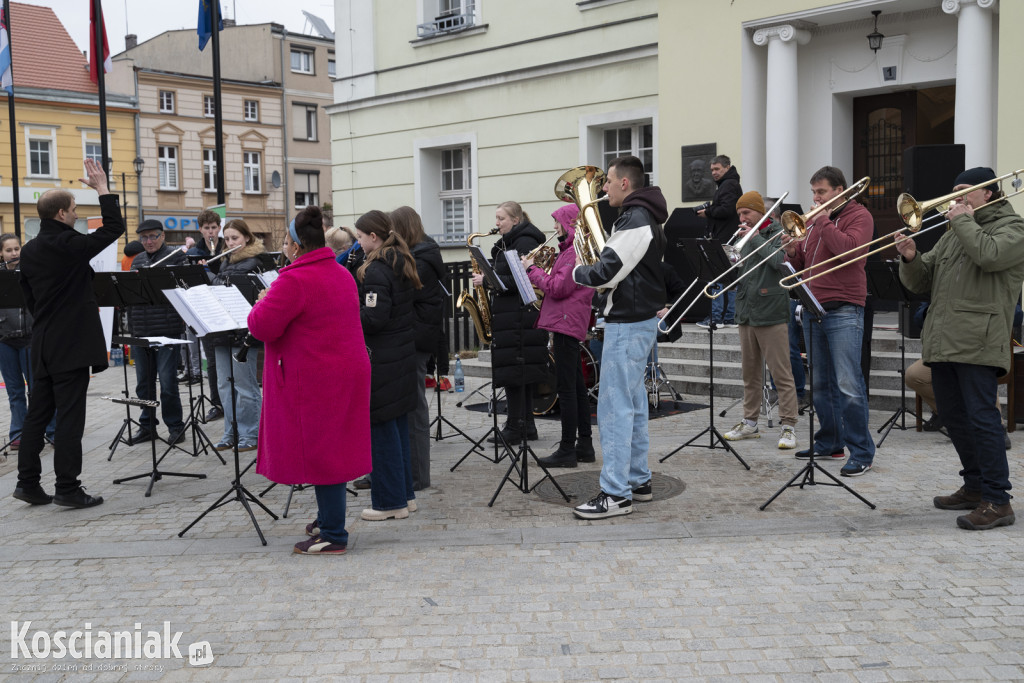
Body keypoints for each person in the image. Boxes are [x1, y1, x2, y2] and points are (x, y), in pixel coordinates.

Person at [896, 166, 1024, 530]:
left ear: (991, 194)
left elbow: (991, 256)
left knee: (983, 420)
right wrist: (910, 256)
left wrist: (964, 222)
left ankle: (998, 499)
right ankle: (974, 487)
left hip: (980, 339)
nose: (956, 198)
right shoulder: (953, 234)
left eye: (966, 190)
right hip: (945, 338)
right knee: (954, 417)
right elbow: (923, 280)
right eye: (954, 191)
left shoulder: (1013, 228)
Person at [250, 206, 371, 554]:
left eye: (286, 243)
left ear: (298, 246)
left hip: (317, 377)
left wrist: (261, 302)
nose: (284, 248)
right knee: (333, 447)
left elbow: (261, 326)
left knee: (324, 454)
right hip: (342, 371)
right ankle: (327, 518)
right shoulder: (338, 272)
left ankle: (333, 533)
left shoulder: (293, 279)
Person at [11, 159, 124, 508]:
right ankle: (67, 488)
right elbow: (114, 228)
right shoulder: (70, 245)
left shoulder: (28, 252)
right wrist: (103, 189)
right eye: (74, 209)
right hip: (71, 345)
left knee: (37, 416)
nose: (76, 215)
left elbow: (29, 300)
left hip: (42, 343)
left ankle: (27, 484)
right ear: (60, 213)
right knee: (71, 418)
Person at [570, 155, 667, 519]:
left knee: (614, 409)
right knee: (635, 404)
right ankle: (638, 481)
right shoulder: (646, 216)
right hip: (636, 321)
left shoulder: (634, 218)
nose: (603, 188)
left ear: (624, 183)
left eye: (607, 182)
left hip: (627, 324)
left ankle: (615, 494)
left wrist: (575, 271)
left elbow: (606, 274)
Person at [782, 166, 876, 476]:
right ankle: (830, 441)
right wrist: (793, 251)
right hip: (813, 308)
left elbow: (851, 253)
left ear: (840, 190)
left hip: (844, 309)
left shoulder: (859, 216)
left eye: (821, 192)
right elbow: (804, 265)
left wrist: (821, 222)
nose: (815, 198)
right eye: (813, 192)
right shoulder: (814, 225)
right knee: (820, 385)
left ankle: (861, 450)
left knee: (848, 383)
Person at [353, 209, 422, 520]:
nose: (357, 243)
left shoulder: (378, 271)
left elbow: (374, 317)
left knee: (382, 432)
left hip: (383, 360)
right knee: (396, 429)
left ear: (373, 236)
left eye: (359, 237)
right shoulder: (400, 261)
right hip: (400, 356)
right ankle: (405, 496)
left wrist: (352, 308)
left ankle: (388, 502)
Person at [720, 191, 799, 449]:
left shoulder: (779, 231)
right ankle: (750, 422)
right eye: (740, 214)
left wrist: (753, 239)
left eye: (747, 213)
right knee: (750, 374)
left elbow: (779, 261)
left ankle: (788, 425)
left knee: (781, 373)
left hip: (771, 310)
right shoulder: (745, 235)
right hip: (746, 310)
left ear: (760, 212)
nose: (742, 218)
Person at [522, 203, 596, 468]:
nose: (554, 228)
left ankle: (566, 449)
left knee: (566, 389)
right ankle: (584, 445)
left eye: (557, 222)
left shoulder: (574, 251)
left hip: (566, 321)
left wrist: (532, 269)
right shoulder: (571, 250)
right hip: (568, 320)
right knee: (576, 387)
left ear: (569, 223)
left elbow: (557, 287)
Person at [472, 201, 549, 445]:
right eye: (496, 218)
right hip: (512, 316)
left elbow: (520, 279)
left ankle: (517, 426)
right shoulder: (510, 242)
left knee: (517, 373)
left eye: (500, 218)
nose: (496, 223)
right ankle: (524, 425)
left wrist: (487, 280)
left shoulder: (524, 242)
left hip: (520, 317)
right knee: (517, 374)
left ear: (515, 220)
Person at [390, 206, 444, 491]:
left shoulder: (420, 259)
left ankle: (418, 475)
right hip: (413, 336)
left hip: (415, 338)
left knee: (414, 409)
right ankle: (408, 472)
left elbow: (405, 296)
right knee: (409, 406)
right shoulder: (419, 254)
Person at [128, 219, 187, 445]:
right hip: (141, 330)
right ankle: (147, 425)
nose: (148, 241)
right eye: (144, 238)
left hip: (166, 329)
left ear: (162, 236)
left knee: (168, 382)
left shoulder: (175, 256)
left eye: (153, 236)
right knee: (144, 383)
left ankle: (175, 426)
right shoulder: (138, 260)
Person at [210, 219, 266, 453]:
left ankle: (251, 433)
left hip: (244, 331)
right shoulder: (223, 264)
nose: (231, 243)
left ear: (247, 238)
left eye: (235, 238)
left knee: (245, 386)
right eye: (228, 239)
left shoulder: (257, 263)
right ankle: (231, 431)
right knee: (224, 385)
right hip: (222, 330)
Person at [0, 234, 55, 452]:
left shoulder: (32, 271)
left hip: (31, 338)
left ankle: (52, 430)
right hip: (5, 339)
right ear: (1, 253)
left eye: (16, 249)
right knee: (14, 391)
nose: (14, 253)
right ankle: (18, 433)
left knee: (39, 388)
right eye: (8, 250)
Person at [697, 155, 742, 328]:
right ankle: (730, 318)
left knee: (715, 276)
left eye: (717, 169)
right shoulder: (730, 184)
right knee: (730, 278)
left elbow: (726, 210)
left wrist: (707, 212)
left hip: (724, 238)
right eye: (712, 170)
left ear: (727, 167)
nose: (714, 173)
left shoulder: (728, 185)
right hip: (728, 237)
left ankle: (715, 318)